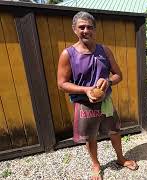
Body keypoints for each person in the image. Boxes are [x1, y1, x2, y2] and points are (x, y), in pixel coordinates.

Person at [57, 11, 138, 180]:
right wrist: (85, 90)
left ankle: (121, 158)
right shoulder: (68, 54)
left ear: (95, 29)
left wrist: (108, 81)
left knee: (114, 131)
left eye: (89, 27)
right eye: (82, 27)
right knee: (90, 137)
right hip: (84, 104)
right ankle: (95, 164)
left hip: (105, 102)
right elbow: (62, 84)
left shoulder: (104, 50)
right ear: (74, 29)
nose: (86, 30)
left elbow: (118, 75)